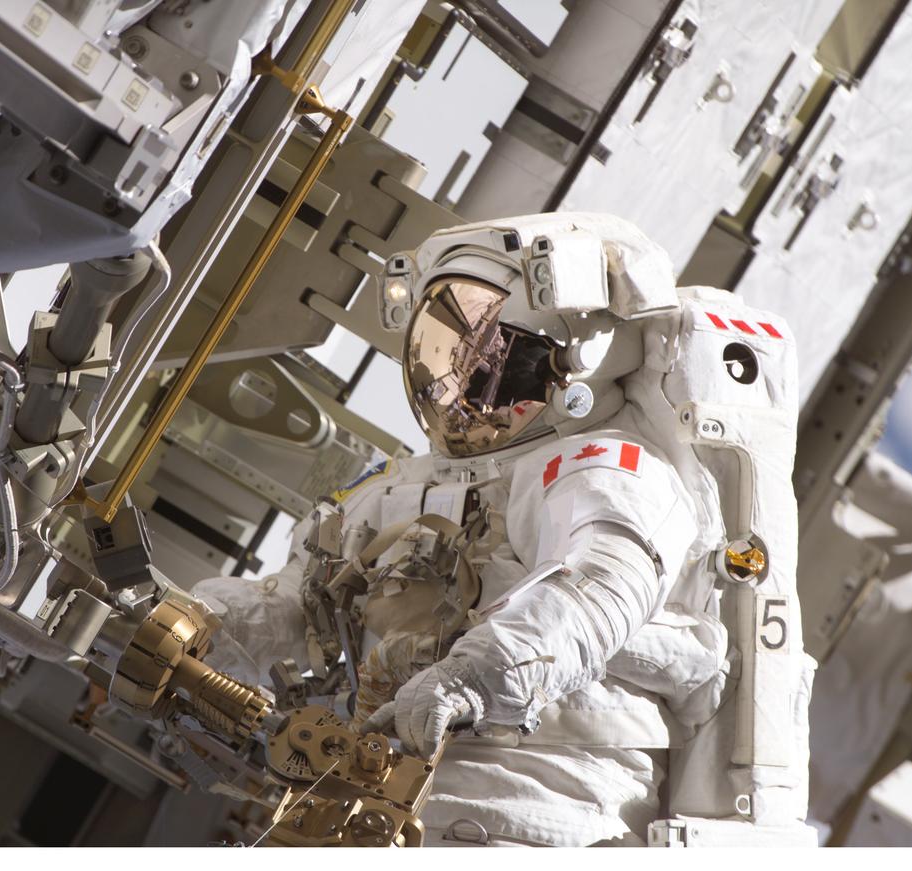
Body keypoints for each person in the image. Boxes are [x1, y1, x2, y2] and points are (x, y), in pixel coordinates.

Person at [193, 213, 814, 846]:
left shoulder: (606, 466)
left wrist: (473, 676)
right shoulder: (399, 487)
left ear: (573, 364)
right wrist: (198, 626)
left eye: (492, 355)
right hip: (386, 796)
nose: (459, 381)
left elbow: (598, 590)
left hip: (542, 805)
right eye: (447, 351)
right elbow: (303, 601)